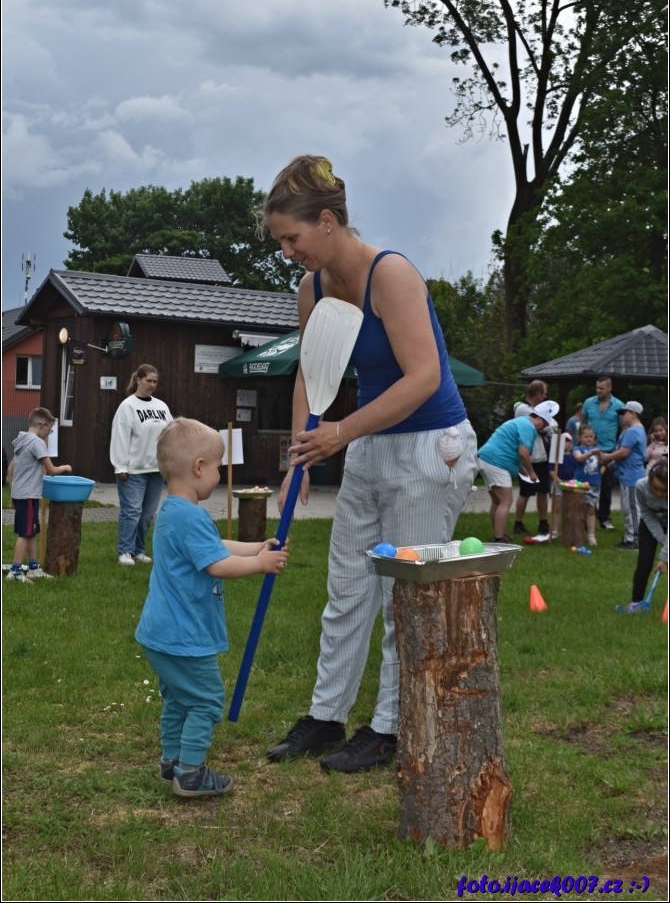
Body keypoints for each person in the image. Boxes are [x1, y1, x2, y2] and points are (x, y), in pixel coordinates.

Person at [263, 154, 478, 774]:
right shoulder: (313, 288)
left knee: (401, 594)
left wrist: (341, 433)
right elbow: (313, 370)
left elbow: (424, 377)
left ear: (327, 221)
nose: (288, 252)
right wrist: (300, 456)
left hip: (429, 445)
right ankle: (326, 716)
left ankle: (387, 728)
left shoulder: (393, 273)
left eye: (292, 238)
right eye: (281, 241)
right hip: (364, 442)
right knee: (348, 587)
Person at [135, 418, 288, 798]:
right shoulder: (189, 516)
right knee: (204, 700)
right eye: (218, 466)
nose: (220, 475)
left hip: (160, 634)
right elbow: (216, 563)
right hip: (184, 637)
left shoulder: (172, 510)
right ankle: (190, 773)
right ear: (198, 467)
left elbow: (213, 544)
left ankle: (171, 761)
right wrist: (259, 565)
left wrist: (254, 548)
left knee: (178, 698)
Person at [110, 364, 173, 566]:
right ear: (138, 379)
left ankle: (139, 551)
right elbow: (120, 437)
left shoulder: (162, 407)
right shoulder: (127, 407)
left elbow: (171, 433)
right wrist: (120, 466)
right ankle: (125, 552)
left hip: (156, 469)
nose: (152, 385)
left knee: (147, 515)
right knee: (132, 511)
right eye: (149, 380)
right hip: (133, 470)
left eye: (155, 381)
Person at [6, 407, 72, 583]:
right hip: (28, 495)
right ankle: (16, 571)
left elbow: (11, 469)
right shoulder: (36, 443)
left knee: (32, 531)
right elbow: (51, 470)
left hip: (23, 494)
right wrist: (65, 467)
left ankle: (34, 567)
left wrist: (12, 495)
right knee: (24, 533)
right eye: (49, 429)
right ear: (42, 425)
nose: (49, 433)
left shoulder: (22, 440)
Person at [477, 401, 558, 543]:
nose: (543, 428)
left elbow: (512, 448)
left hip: (485, 458)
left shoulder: (521, 421)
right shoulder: (529, 427)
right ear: (539, 419)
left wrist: (522, 468)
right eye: (544, 424)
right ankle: (499, 538)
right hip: (497, 462)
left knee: (497, 501)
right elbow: (523, 453)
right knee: (506, 500)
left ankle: (498, 533)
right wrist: (532, 472)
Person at [599, 401, 646, 550]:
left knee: (632, 508)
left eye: (624, 413)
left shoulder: (633, 431)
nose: (622, 416)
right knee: (627, 508)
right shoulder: (635, 430)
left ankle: (635, 540)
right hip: (628, 474)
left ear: (633, 414)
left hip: (632, 476)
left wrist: (607, 458)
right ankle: (628, 537)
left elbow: (623, 452)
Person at [622, 459, 667, 612]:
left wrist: (665, 558)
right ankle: (636, 602)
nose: (659, 494)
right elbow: (647, 514)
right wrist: (662, 539)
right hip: (649, 524)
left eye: (664, 491)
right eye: (656, 489)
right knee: (644, 562)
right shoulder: (641, 486)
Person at [581, 377, 624, 530]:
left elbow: (623, 427)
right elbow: (583, 423)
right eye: (597, 387)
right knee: (588, 484)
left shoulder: (619, 405)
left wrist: (618, 449)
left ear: (609, 388)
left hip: (608, 450)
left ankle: (604, 518)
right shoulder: (588, 403)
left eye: (602, 388)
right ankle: (587, 516)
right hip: (590, 450)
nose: (598, 391)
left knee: (606, 487)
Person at [512, 381, 552, 537]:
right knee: (526, 492)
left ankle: (543, 522)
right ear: (538, 394)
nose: (545, 397)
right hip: (527, 457)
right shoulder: (522, 409)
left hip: (541, 456)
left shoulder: (537, 410)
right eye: (544, 393)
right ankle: (518, 523)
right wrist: (547, 424)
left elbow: (550, 424)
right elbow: (545, 425)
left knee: (543, 491)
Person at [572, 425, 602, 548]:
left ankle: (591, 536)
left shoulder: (598, 450)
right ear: (579, 437)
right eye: (586, 436)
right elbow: (579, 458)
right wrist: (590, 453)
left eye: (591, 437)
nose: (589, 439)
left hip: (594, 485)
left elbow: (603, 463)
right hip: (580, 484)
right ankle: (577, 535)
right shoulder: (577, 449)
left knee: (591, 510)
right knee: (578, 510)